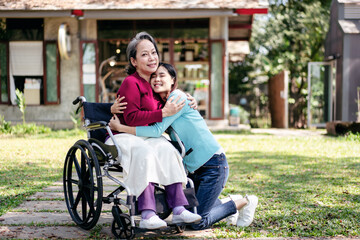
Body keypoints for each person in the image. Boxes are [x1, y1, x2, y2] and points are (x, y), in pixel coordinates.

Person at [109, 62, 259, 230]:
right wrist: (112, 108)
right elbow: (138, 110)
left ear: (173, 80)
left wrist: (121, 129)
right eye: (154, 76)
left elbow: (157, 130)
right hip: (193, 168)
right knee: (188, 213)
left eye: (162, 75)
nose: (157, 79)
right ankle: (229, 201)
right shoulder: (161, 102)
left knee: (198, 223)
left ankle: (244, 201)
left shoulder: (177, 98)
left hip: (213, 165)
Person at [105, 32, 201, 230]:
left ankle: (179, 208)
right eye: (144, 54)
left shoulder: (153, 83)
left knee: (167, 149)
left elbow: (169, 99)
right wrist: (162, 113)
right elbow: (131, 117)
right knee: (145, 152)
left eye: (154, 53)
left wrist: (188, 99)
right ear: (134, 60)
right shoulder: (130, 82)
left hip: (144, 135)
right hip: (121, 135)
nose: (152, 58)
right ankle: (148, 213)